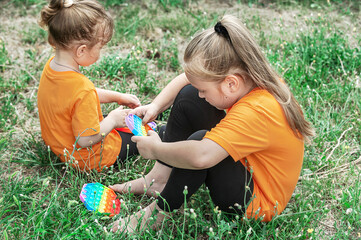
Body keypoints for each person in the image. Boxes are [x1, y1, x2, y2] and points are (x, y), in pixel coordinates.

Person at [110, 15, 314, 232]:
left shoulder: (257, 111)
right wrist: (156, 106)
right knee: (189, 96)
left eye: (204, 90)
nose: (201, 93)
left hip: (255, 201)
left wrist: (157, 150)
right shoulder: (250, 78)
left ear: (231, 84)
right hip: (247, 163)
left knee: (200, 144)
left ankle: (157, 214)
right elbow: (188, 81)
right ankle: (159, 180)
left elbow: (201, 156)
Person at [37, 0, 141, 171]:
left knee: (121, 119)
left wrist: (118, 97)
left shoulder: (52, 68)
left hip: (60, 146)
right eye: (100, 47)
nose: (101, 52)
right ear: (81, 51)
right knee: (142, 134)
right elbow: (86, 139)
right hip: (88, 158)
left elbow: (80, 97)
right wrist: (113, 120)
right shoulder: (81, 87)